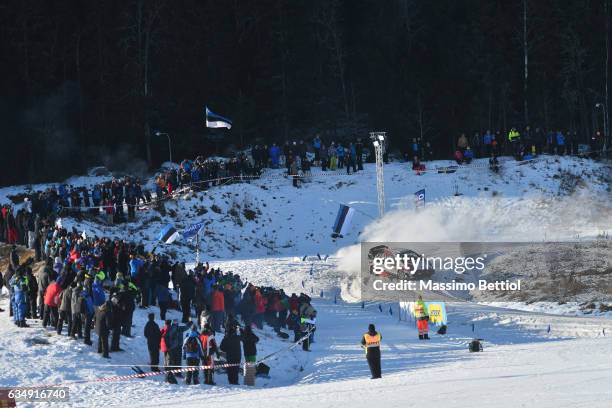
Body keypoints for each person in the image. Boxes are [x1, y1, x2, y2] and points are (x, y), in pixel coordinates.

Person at [160, 319, 178, 384]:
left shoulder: (163, 328)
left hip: (163, 345)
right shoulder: (170, 328)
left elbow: (160, 334)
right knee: (169, 358)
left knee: (165, 357)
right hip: (169, 346)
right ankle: (168, 369)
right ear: (170, 323)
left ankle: (166, 367)